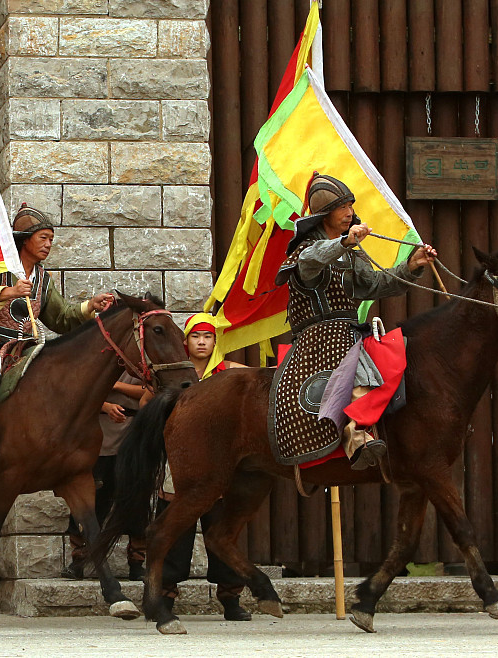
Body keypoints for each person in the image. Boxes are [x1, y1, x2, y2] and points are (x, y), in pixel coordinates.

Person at [274, 173, 437, 470]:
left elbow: (374, 284)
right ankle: (356, 437)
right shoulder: (305, 250)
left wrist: (411, 267)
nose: (349, 212)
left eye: (351, 205)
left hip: (347, 327)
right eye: (342, 207)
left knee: (390, 357)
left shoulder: (350, 251)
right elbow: (314, 260)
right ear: (325, 214)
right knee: (355, 361)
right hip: (317, 335)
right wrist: (345, 242)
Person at [0, 205, 113, 476]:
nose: (49, 244)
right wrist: (11, 291)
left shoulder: (43, 279)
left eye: (51, 239)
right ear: (24, 239)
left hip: (27, 346)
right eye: (43, 238)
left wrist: (90, 305)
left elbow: (62, 316)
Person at [154, 313, 251, 620]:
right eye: (196, 336)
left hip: (221, 459)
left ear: (215, 341)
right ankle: (165, 596)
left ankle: (231, 598)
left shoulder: (229, 372)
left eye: (208, 337)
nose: (202, 342)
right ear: (186, 341)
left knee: (223, 527)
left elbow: (262, 381)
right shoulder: (173, 373)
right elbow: (149, 403)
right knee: (176, 524)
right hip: (181, 457)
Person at [63, 370, 148, 582]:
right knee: (90, 500)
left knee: (136, 503)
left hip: (132, 439)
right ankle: (79, 559)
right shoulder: (97, 351)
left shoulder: (144, 358)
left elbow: (150, 391)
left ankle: (137, 561)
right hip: (97, 439)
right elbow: (77, 391)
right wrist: (105, 406)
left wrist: (117, 386)